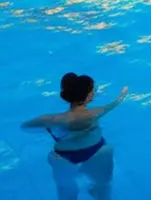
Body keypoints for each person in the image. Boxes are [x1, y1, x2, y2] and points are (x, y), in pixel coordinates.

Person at [21, 72, 127, 200]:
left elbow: (25, 127)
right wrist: (123, 93)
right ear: (89, 96)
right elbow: (115, 103)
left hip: (64, 157)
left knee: (65, 190)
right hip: (96, 151)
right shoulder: (95, 113)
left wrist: (48, 128)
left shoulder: (52, 119)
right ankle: (99, 192)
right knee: (103, 185)